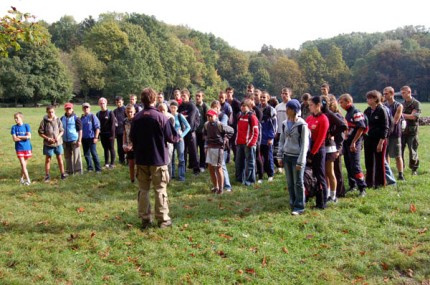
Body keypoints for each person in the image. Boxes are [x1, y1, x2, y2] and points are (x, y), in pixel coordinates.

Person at [130, 87, 180, 229]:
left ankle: (145, 219)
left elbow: (132, 137)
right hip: (158, 158)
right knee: (160, 189)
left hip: (141, 159)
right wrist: (179, 137)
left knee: (143, 189)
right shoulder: (161, 117)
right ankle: (163, 220)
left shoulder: (136, 118)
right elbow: (171, 137)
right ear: (153, 99)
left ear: (142, 100)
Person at [277, 99, 309, 215]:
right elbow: (281, 141)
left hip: (297, 158)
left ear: (294, 110)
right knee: (290, 182)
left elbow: (305, 145)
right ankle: (292, 202)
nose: (287, 110)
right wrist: (279, 156)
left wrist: (301, 161)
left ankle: (299, 206)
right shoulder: (285, 123)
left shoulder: (302, 125)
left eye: (289, 108)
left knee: (298, 182)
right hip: (287, 157)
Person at [338, 94, 367, 196]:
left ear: (348, 101)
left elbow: (361, 128)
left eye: (342, 102)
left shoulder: (356, 112)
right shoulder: (348, 113)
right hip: (347, 143)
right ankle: (352, 185)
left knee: (355, 165)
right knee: (348, 164)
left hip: (354, 143)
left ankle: (362, 187)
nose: (340, 104)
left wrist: (354, 142)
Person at [321, 95, 347, 202]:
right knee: (325, 173)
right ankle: (327, 194)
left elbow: (343, 126)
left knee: (331, 172)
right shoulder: (321, 114)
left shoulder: (330, 114)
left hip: (330, 146)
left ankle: (334, 195)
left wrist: (331, 133)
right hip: (322, 145)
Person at [306, 96, 329, 209]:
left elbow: (320, 139)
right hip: (309, 149)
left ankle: (322, 202)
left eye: (311, 105)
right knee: (312, 176)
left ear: (318, 105)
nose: (309, 107)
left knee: (320, 177)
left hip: (318, 151)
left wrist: (312, 153)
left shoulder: (323, 119)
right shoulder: (309, 118)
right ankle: (311, 195)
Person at [203, 109, 234, 194]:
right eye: (208, 116)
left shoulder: (220, 125)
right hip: (210, 148)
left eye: (211, 116)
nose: (209, 117)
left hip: (218, 148)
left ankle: (221, 189)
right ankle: (215, 187)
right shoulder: (206, 125)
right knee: (210, 168)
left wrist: (226, 138)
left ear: (215, 116)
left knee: (219, 168)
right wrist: (206, 143)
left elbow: (231, 130)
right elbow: (204, 134)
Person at [363, 90, 389, 188]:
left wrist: (381, 142)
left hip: (379, 140)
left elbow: (385, 127)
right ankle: (369, 183)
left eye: (369, 98)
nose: (367, 100)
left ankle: (380, 183)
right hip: (368, 139)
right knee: (368, 162)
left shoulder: (382, 110)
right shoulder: (367, 111)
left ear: (375, 99)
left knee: (379, 162)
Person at [38, 105, 67, 182]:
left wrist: (58, 137)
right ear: (47, 112)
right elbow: (40, 132)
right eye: (49, 112)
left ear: (54, 112)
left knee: (60, 158)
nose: (51, 113)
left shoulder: (58, 120)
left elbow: (62, 130)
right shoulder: (44, 121)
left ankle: (63, 174)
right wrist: (47, 138)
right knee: (48, 159)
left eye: (52, 112)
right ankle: (47, 175)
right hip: (48, 144)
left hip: (58, 143)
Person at [235, 99, 259, 186]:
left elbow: (255, 132)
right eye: (241, 106)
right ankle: (239, 179)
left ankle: (250, 181)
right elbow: (238, 130)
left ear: (249, 107)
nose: (242, 107)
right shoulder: (240, 116)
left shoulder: (252, 117)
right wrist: (236, 140)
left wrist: (250, 143)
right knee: (238, 162)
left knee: (250, 163)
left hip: (249, 144)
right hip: (240, 143)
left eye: (244, 106)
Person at [383, 86, 404, 180]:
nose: (384, 95)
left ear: (392, 93)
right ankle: (388, 173)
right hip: (385, 134)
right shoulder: (384, 105)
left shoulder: (399, 105)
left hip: (395, 134)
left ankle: (400, 174)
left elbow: (395, 120)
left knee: (397, 155)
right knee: (385, 154)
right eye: (383, 94)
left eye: (386, 93)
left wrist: (387, 132)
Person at [178, 88, 201, 175]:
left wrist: (189, 129)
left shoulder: (192, 106)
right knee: (182, 151)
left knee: (193, 151)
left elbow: (191, 120)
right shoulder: (180, 107)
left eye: (184, 96)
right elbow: (179, 119)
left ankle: (196, 169)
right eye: (182, 96)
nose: (183, 97)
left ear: (188, 96)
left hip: (190, 131)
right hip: (182, 132)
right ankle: (183, 169)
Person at [401, 85, 421, 176]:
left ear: (409, 92)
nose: (402, 95)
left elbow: (413, 117)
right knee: (400, 150)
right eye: (402, 93)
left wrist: (402, 114)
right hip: (402, 131)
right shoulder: (402, 104)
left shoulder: (416, 103)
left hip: (412, 132)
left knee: (413, 150)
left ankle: (414, 169)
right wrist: (407, 115)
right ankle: (401, 168)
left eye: (404, 93)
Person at [170, 100, 191, 182]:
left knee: (181, 157)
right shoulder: (168, 116)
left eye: (174, 107)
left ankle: (181, 176)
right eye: (171, 107)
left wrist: (182, 136)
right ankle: (171, 175)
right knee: (171, 157)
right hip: (170, 139)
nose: (173, 109)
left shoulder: (180, 116)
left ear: (177, 108)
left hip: (179, 139)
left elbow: (188, 127)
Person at [259, 91, 278, 181]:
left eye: (264, 97)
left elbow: (274, 125)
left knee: (268, 157)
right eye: (261, 97)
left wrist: (271, 137)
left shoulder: (271, 109)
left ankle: (270, 174)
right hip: (259, 137)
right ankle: (261, 174)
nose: (262, 99)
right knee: (259, 157)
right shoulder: (257, 108)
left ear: (268, 98)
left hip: (267, 138)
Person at [61, 103, 83, 175]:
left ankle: (78, 171)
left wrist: (79, 140)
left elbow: (80, 130)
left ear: (72, 109)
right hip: (65, 140)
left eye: (69, 108)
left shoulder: (76, 118)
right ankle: (69, 171)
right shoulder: (62, 118)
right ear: (65, 109)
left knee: (76, 156)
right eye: (67, 108)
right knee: (67, 157)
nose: (68, 110)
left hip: (74, 140)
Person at [11, 112, 32, 185]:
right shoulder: (14, 127)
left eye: (17, 118)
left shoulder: (27, 126)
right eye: (15, 118)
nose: (16, 120)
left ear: (21, 118)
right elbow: (14, 139)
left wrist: (19, 137)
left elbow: (29, 136)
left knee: (24, 165)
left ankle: (21, 179)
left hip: (27, 147)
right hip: (19, 148)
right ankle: (28, 180)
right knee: (23, 164)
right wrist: (24, 137)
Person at [81, 103, 102, 173]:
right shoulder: (82, 118)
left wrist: (96, 137)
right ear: (82, 109)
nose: (86, 109)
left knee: (94, 153)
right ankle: (90, 167)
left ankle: (98, 168)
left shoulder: (93, 116)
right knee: (86, 154)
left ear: (89, 108)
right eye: (84, 108)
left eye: (87, 107)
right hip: (84, 139)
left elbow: (97, 128)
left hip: (92, 138)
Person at [275, 87, 292, 174]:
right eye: (283, 93)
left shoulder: (293, 105)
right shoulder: (278, 106)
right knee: (280, 149)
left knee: (289, 149)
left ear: (290, 94)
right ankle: (280, 166)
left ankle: (288, 166)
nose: (284, 95)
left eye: (286, 94)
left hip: (290, 131)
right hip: (279, 131)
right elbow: (276, 120)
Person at [97, 97, 116, 169]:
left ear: (106, 103)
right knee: (105, 149)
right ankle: (106, 163)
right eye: (101, 103)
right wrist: (98, 135)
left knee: (111, 148)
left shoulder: (110, 112)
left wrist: (112, 135)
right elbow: (97, 126)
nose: (102, 105)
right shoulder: (98, 114)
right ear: (99, 104)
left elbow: (113, 125)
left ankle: (112, 163)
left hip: (110, 134)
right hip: (102, 134)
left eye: (103, 103)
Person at [158, 102, 175, 180]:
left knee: (168, 161)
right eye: (160, 110)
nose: (162, 112)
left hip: (168, 142)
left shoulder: (170, 117)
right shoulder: (156, 117)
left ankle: (169, 177)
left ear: (166, 110)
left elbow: (169, 132)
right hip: (159, 142)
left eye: (163, 110)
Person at [194, 90, 208, 172]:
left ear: (202, 97)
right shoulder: (194, 106)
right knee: (194, 149)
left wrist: (205, 133)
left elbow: (207, 120)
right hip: (195, 132)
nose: (197, 97)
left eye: (199, 96)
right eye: (196, 95)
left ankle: (202, 165)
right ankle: (196, 165)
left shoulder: (205, 107)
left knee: (202, 150)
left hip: (202, 132)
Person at [226, 86, 241, 162]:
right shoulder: (224, 102)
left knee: (234, 143)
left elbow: (240, 113)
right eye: (228, 92)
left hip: (234, 125)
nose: (229, 94)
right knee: (227, 142)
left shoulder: (236, 103)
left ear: (232, 93)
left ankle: (236, 157)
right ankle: (227, 158)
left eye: (230, 92)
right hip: (226, 125)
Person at [123, 104, 136, 183]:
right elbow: (124, 133)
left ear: (134, 111)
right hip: (128, 144)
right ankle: (132, 179)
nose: (130, 113)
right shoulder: (125, 121)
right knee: (131, 164)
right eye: (128, 112)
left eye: (131, 112)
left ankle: (140, 179)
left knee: (138, 164)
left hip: (136, 145)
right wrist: (124, 144)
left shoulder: (137, 120)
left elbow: (138, 134)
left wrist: (132, 145)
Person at [113, 96, 126, 165]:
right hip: (118, 131)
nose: (119, 103)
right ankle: (121, 160)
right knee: (119, 146)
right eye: (117, 102)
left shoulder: (126, 109)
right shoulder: (115, 111)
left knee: (126, 145)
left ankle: (127, 159)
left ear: (122, 102)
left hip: (125, 131)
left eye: (120, 102)